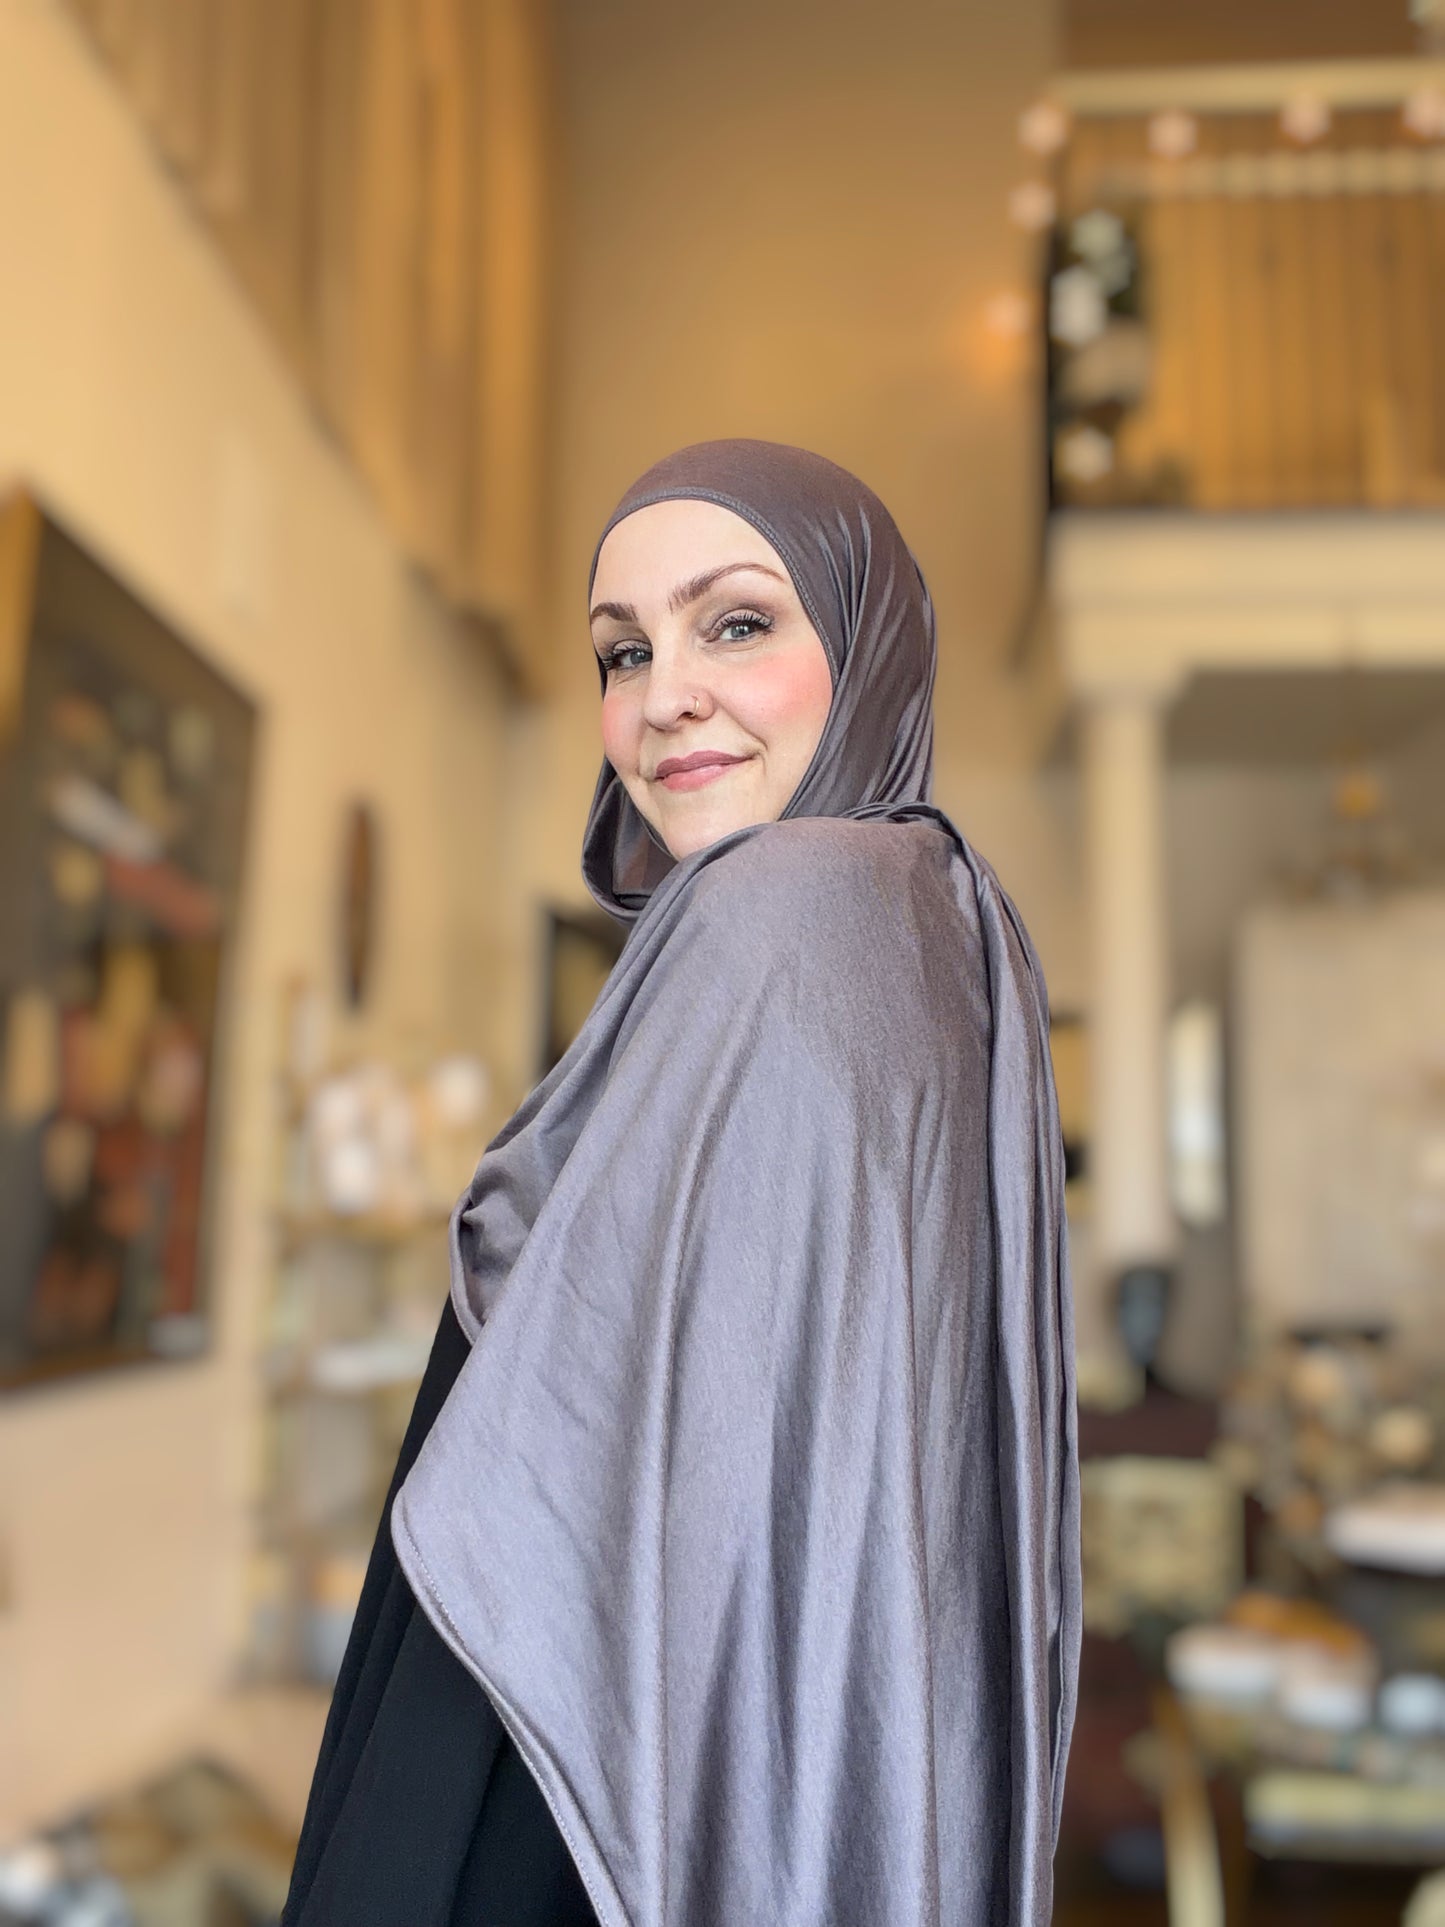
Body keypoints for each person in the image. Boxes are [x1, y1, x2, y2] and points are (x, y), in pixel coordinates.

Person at [281, 439, 1080, 1927]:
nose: (663, 699)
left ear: (868, 650)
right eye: (624, 650)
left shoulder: (785, 912)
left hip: (573, 1769)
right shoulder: (927, 917)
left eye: (736, 624)